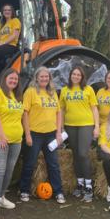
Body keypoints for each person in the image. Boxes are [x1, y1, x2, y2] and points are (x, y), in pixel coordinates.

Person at [19, 66, 66, 204]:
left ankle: (58, 192)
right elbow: (25, 114)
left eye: (47, 77)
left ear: (49, 79)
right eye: (42, 77)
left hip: (51, 134)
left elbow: (58, 113)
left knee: (53, 164)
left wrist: (58, 133)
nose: (44, 79)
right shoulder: (31, 92)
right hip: (35, 134)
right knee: (30, 163)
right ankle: (24, 190)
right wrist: (27, 134)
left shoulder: (52, 93)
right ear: (37, 78)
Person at [0, 68, 24, 219]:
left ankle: (1, 197)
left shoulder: (17, 95)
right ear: (4, 78)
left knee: (9, 169)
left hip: (16, 139)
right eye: (11, 78)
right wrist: (2, 137)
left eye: (16, 79)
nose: (13, 81)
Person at [59, 66, 99, 202]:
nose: (76, 76)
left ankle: (89, 187)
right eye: (74, 74)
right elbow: (62, 110)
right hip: (70, 126)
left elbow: (94, 109)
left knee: (83, 153)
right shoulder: (64, 90)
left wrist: (97, 126)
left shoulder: (88, 89)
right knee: (76, 155)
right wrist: (61, 127)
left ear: (82, 77)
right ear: (70, 76)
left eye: (78, 75)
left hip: (86, 125)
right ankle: (80, 184)